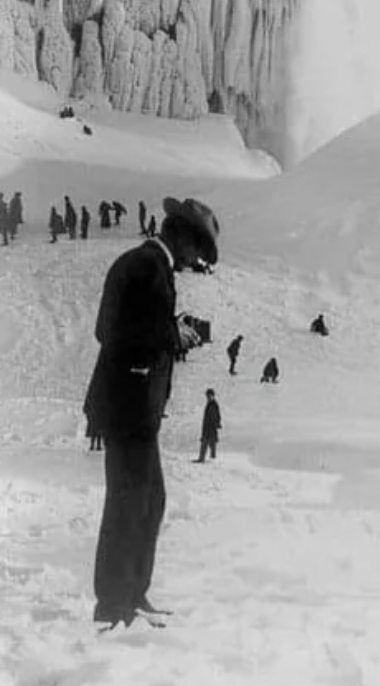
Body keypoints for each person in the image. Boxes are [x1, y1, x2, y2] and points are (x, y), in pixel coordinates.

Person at [82, 195, 220, 629]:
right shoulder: (144, 265)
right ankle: (112, 604)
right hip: (127, 406)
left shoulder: (152, 267)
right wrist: (169, 333)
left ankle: (131, 594)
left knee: (148, 500)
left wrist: (168, 331)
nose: (195, 259)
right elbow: (110, 329)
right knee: (128, 502)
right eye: (196, 248)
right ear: (178, 236)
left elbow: (132, 325)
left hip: (137, 409)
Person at [195, 389, 222, 463]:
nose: (208, 397)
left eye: (209, 395)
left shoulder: (213, 404)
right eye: (207, 395)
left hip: (210, 427)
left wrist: (216, 423)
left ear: (212, 395)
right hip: (209, 427)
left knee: (206, 442)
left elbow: (216, 416)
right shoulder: (211, 403)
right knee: (211, 442)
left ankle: (203, 458)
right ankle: (211, 457)